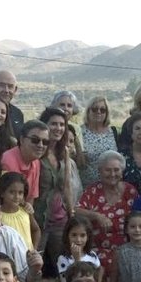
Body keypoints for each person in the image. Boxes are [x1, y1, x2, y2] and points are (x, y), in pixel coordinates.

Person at [76, 150, 138, 282]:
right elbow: (76, 211)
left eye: (116, 170)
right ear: (100, 171)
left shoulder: (130, 191)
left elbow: (139, 218)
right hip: (98, 250)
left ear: (122, 171)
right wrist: (97, 216)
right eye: (107, 170)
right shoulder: (93, 190)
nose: (112, 174)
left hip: (126, 248)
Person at [36, 108, 78, 257]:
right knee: (36, 263)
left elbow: (67, 186)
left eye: (62, 124)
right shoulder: (37, 150)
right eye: (53, 124)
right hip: (38, 218)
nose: (58, 128)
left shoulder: (64, 151)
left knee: (59, 264)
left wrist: (71, 214)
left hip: (59, 218)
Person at [1, 120, 48, 205]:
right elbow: (9, 202)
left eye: (45, 142)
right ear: (22, 140)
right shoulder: (7, 161)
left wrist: (31, 218)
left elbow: (31, 199)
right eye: (35, 140)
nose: (40, 145)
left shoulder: (36, 162)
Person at [55, 218, 101, 282]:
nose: (78, 240)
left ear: (88, 237)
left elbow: (98, 272)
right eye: (74, 235)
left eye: (82, 235)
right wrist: (77, 259)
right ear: (67, 236)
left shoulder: (92, 255)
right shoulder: (63, 258)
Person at [79, 96, 118, 188]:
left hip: (111, 186)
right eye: (94, 109)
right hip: (87, 187)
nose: (99, 112)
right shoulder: (79, 132)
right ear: (88, 111)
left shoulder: (112, 132)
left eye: (103, 110)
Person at [0, 172, 40, 250]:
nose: (17, 197)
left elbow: (36, 230)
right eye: (12, 192)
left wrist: (34, 249)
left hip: (27, 259)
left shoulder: (26, 211)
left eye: (20, 193)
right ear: (2, 193)